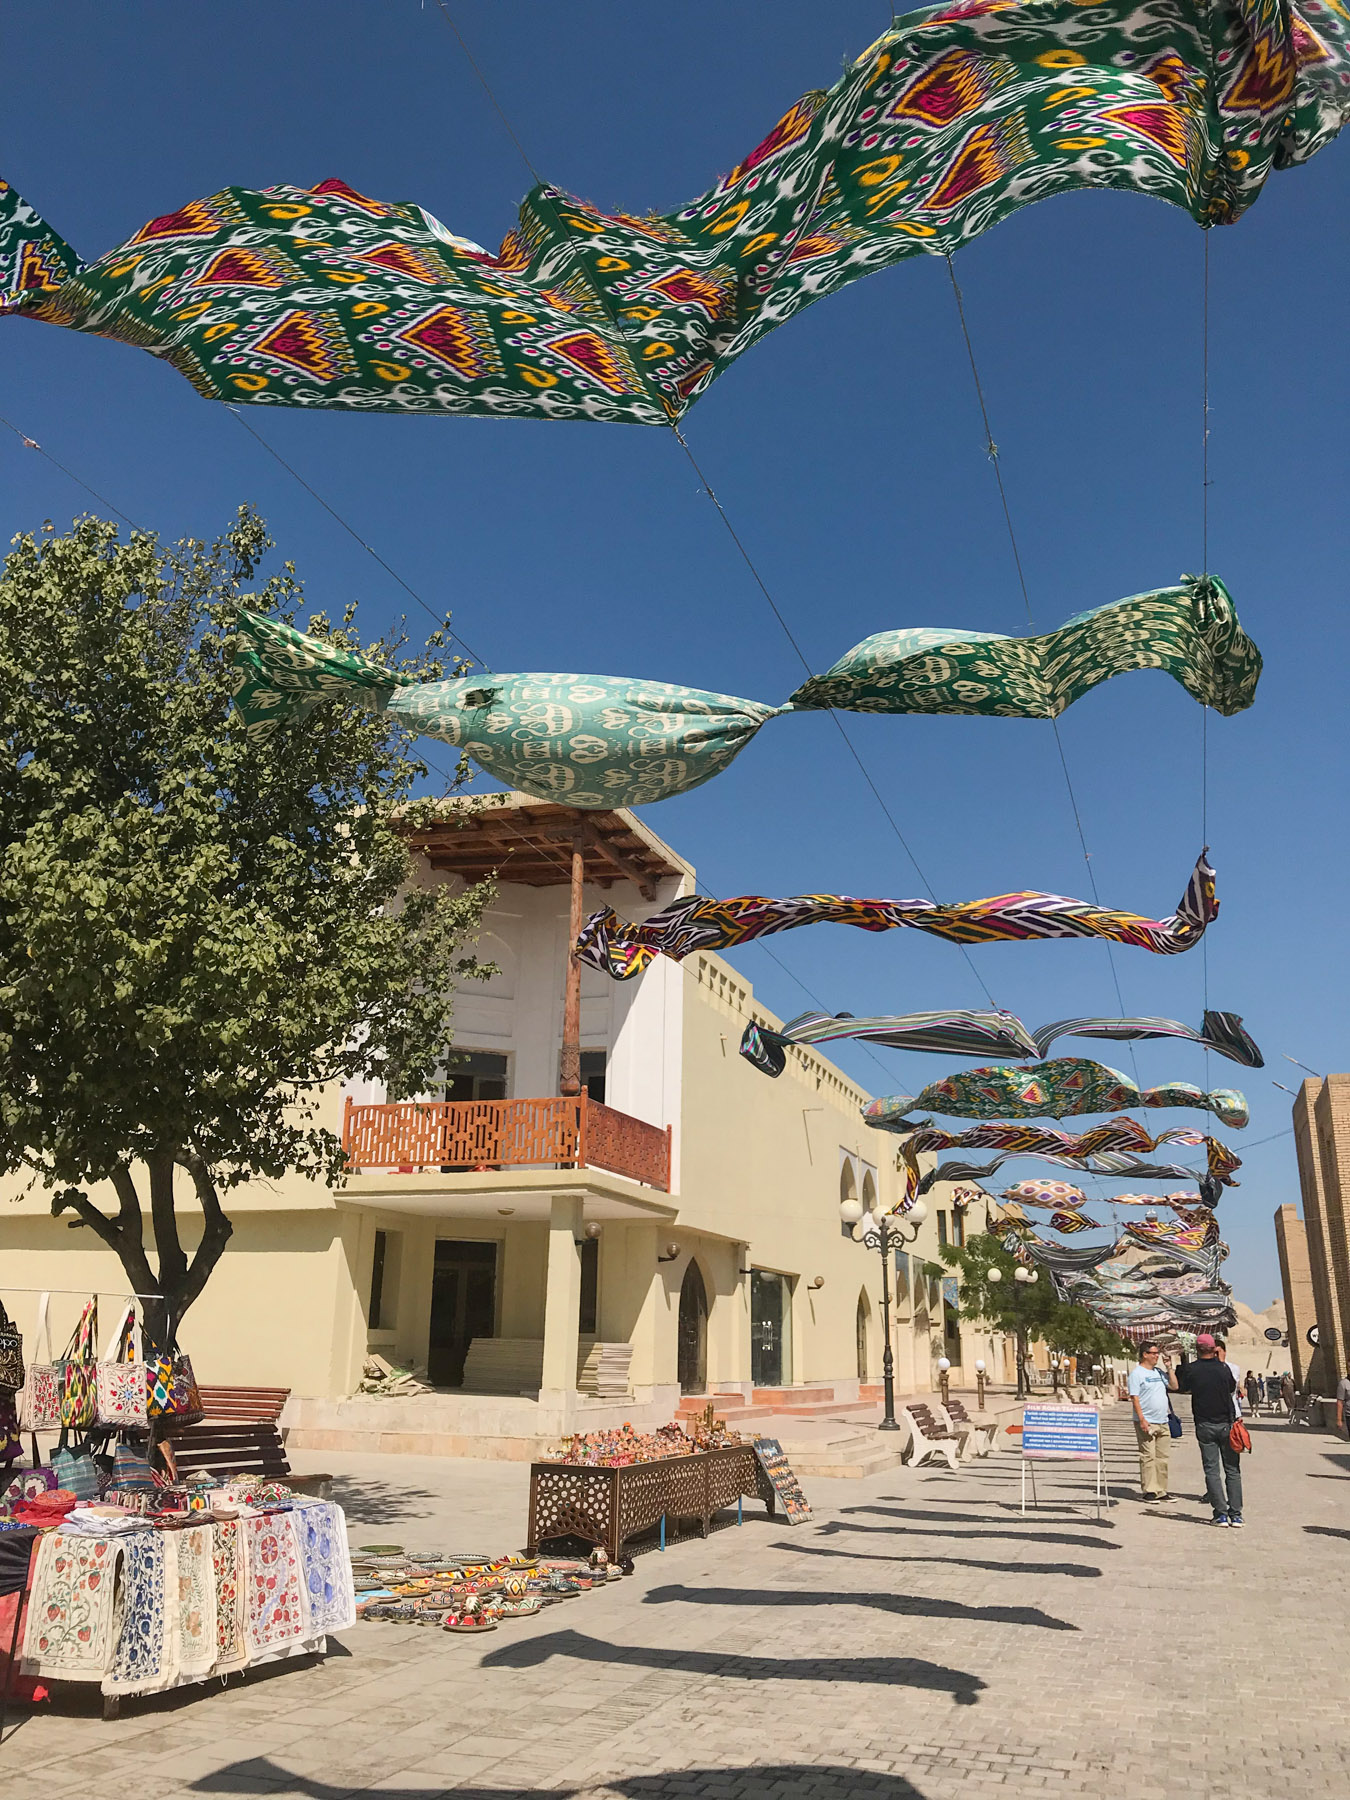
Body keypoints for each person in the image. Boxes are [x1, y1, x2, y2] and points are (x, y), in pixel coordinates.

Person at [1176, 1332, 1243, 1525]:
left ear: (1196, 1350)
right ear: (1214, 1349)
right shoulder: (1223, 1369)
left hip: (1205, 1424)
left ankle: (1220, 1513)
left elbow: (1183, 1387)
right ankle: (1236, 1514)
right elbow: (1232, 1388)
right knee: (1233, 1470)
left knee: (1212, 1470)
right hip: (1227, 1424)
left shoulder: (1192, 1369)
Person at [1128, 1341, 1173, 1501]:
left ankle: (1161, 1490)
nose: (1157, 1356)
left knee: (1162, 1458)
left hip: (1163, 1420)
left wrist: (1169, 1367)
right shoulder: (1137, 1374)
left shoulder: (1159, 1372)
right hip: (1147, 1420)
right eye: (1153, 1353)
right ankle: (1149, 1490)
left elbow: (1174, 1386)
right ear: (1145, 1354)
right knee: (1148, 1456)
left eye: (1157, 1353)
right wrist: (1141, 1419)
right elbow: (1135, 1398)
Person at [1216, 1340, 1244, 1414]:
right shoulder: (1207, 1369)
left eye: (1218, 1352)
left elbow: (1230, 1387)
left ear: (1224, 1352)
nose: (1216, 1355)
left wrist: (1222, 1365)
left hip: (1231, 1410)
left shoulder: (1233, 1368)